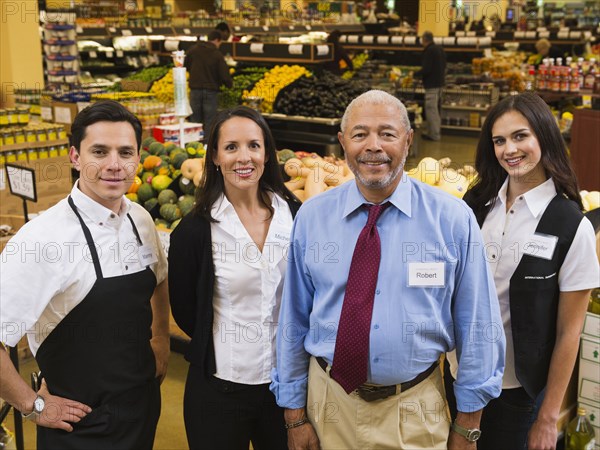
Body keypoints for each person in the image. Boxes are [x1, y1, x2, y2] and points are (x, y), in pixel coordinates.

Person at [271, 89, 505, 450]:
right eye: (360, 133)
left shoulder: (452, 219)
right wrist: (294, 414)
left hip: (415, 409)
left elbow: (478, 326)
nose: (373, 146)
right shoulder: (313, 217)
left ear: (408, 141)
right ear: (342, 143)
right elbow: (293, 320)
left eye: (387, 133)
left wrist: (468, 425)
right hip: (328, 404)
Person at [0, 100, 170, 449]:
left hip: (141, 408)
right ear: (75, 157)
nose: (113, 165)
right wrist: (31, 405)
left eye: (125, 152)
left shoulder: (140, 219)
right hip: (78, 427)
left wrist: (161, 342)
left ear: (138, 158)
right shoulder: (41, 239)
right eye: (99, 151)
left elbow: (158, 279)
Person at [445, 92, 599, 450]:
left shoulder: (570, 225)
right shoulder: (477, 203)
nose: (508, 149)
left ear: (544, 136)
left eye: (520, 136)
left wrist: (548, 417)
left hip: (514, 392)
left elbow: (569, 332)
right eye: (499, 140)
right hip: (456, 375)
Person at [168, 106, 302, 450]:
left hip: (286, 389)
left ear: (267, 153)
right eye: (231, 147)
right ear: (214, 156)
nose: (244, 157)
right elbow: (185, 310)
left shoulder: (295, 215)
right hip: (220, 389)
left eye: (253, 146)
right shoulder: (195, 231)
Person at [185, 30, 233, 134]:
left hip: (195, 90)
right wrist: (229, 85)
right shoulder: (216, 54)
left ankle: (194, 145)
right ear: (217, 40)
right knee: (210, 121)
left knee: (194, 121)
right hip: (210, 91)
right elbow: (224, 75)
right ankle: (207, 146)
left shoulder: (193, 50)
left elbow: (186, 65)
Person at [414, 31, 446, 141]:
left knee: (431, 109)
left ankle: (434, 135)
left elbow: (426, 69)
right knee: (435, 110)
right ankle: (433, 132)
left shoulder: (429, 51)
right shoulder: (439, 49)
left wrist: (414, 74)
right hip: (440, 84)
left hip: (432, 85)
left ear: (424, 40)